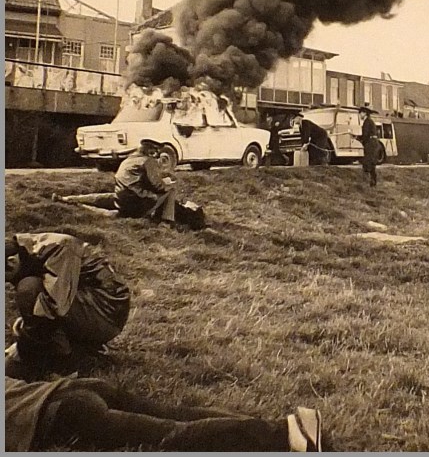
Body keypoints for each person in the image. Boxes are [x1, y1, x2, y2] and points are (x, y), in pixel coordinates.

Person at [5, 375, 324, 452]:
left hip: (63, 412)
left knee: (167, 434)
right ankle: (287, 426)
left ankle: (285, 435)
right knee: (174, 414)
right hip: (70, 388)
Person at [5, 232, 131, 378]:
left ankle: (63, 365)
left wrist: (23, 352)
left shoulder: (59, 249)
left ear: (11, 261)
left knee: (28, 288)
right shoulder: (28, 251)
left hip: (107, 312)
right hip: (93, 305)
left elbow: (52, 308)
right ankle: (79, 349)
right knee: (31, 305)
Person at [53, 139, 205, 230]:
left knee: (101, 198)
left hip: (122, 199)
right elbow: (158, 186)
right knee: (170, 191)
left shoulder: (128, 160)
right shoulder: (148, 161)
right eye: (156, 152)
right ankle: (166, 222)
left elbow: (137, 180)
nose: (157, 155)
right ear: (150, 151)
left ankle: (68, 199)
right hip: (137, 205)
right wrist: (168, 183)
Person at [354, 106, 380, 187]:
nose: (359, 115)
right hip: (373, 143)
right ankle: (372, 182)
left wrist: (357, 138)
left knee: (367, 162)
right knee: (372, 163)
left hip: (370, 143)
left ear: (364, 113)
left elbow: (365, 135)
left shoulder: (367, 122)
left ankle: (368, 183)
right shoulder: (370, 121)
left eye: (360, 113)